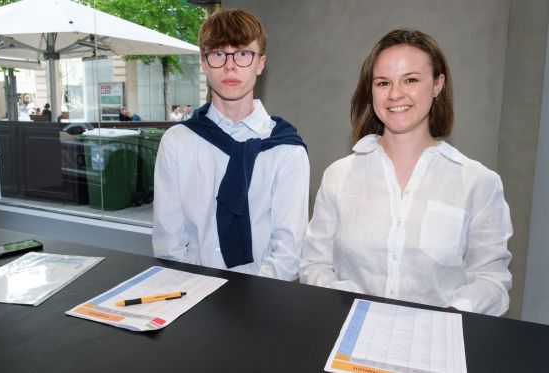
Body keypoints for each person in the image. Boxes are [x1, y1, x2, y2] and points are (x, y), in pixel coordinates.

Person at [299, 29, 513, 316]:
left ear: (438, 85)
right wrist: (353, 305)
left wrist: (446, 316)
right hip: (348, 336)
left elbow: (492, 280)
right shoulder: (338, 175)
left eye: (411, 79)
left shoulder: (478, 183)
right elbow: (314, 264)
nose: (395, 94)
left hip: (436, 345)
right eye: (383, 82)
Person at [153, 9, 310, 280]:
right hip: (190, 294)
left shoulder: (287, 149)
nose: (230, 65)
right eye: (217, 54)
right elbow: (170, 243)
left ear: (260, 63)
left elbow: (288, 252)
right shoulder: (177, 142)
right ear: (204, 63)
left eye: (243, 53)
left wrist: (250, 302)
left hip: (263, 300)